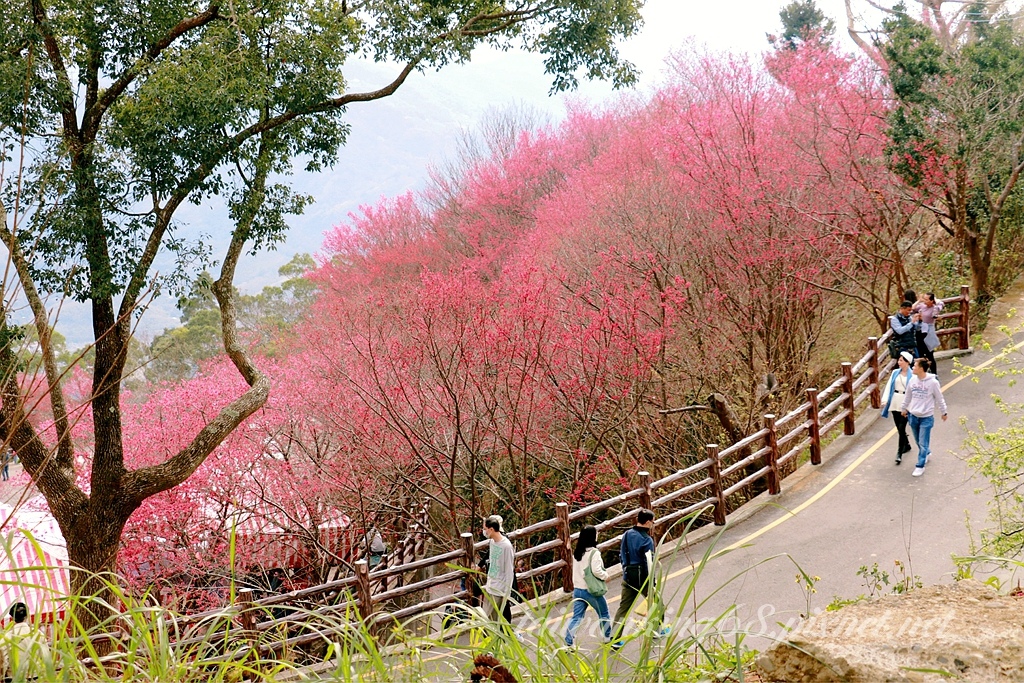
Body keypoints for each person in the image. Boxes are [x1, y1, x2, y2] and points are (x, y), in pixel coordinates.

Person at [612, 509, 668, 646]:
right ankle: (656, 630)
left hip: (628, 577)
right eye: (653, 521)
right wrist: (652, 582)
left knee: (623, 609)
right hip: (643, 579)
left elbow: (622, 554)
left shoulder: (627, 534)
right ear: (648, 522)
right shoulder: (647, 540)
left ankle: (614, 638)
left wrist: (625, 568)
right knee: (658, 604)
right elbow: (649, 563)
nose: (653, 524)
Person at [564, 525, 612, 647]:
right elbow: (596, 571)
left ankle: (568, 642)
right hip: (591, 591)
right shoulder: (594, 553)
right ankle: (608, 637)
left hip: (578, 590)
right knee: (604, 613)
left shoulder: (577, 552)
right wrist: (606, 576)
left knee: (577, 617)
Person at [902, 357, 948, 477]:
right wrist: (904, 408)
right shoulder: (912, 380)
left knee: (922, 442)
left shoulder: (933, 382)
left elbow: (939, 398)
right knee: (918, 441)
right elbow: (908, 395)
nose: (913, 368)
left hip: (926, 417)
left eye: (915, 366)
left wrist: (944, 412)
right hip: (913, 416)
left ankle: (920, 465)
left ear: (921, 368)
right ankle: (926, 452)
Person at [481, 515, 516, 627]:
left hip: (499, 589)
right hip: (491, 586)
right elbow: (492, 564)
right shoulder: (492, 543)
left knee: (490, 620)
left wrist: (507, 592)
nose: (484, 532)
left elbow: (509, 571)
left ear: (491, 529)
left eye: (485, 529)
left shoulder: (506, 546)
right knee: (490, 620)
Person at [882, 351, 915, 465]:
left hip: (905, 403)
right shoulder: (895, 372)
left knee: (901, 428)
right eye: (899, 360)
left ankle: (899, 453)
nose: (899, 362)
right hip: (895, 400)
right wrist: (885, 399)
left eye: (901, 360)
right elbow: (889, 386)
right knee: (898, 427)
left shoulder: (912, 375)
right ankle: (906, 445)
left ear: (907, 362)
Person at [3, 601, 50, 680]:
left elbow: (3, 661)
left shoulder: (7, 637)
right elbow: (46, 657)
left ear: (12, 618)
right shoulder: (38, 634)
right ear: (27, 616)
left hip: (14, 677)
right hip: (35, 677)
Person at [913, 292, 944, 377]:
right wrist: (919, 301)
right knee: (921, 355)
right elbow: (913, 308)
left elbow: (940, 305)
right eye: (924, 299)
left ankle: (934, 374)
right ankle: (923, 374)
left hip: (928, 333)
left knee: (930, 355)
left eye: (927, 299)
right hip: (920, 332)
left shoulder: (935, 308)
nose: (925, 301)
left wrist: (937, 302)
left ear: (931, 301)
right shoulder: (922, 306)